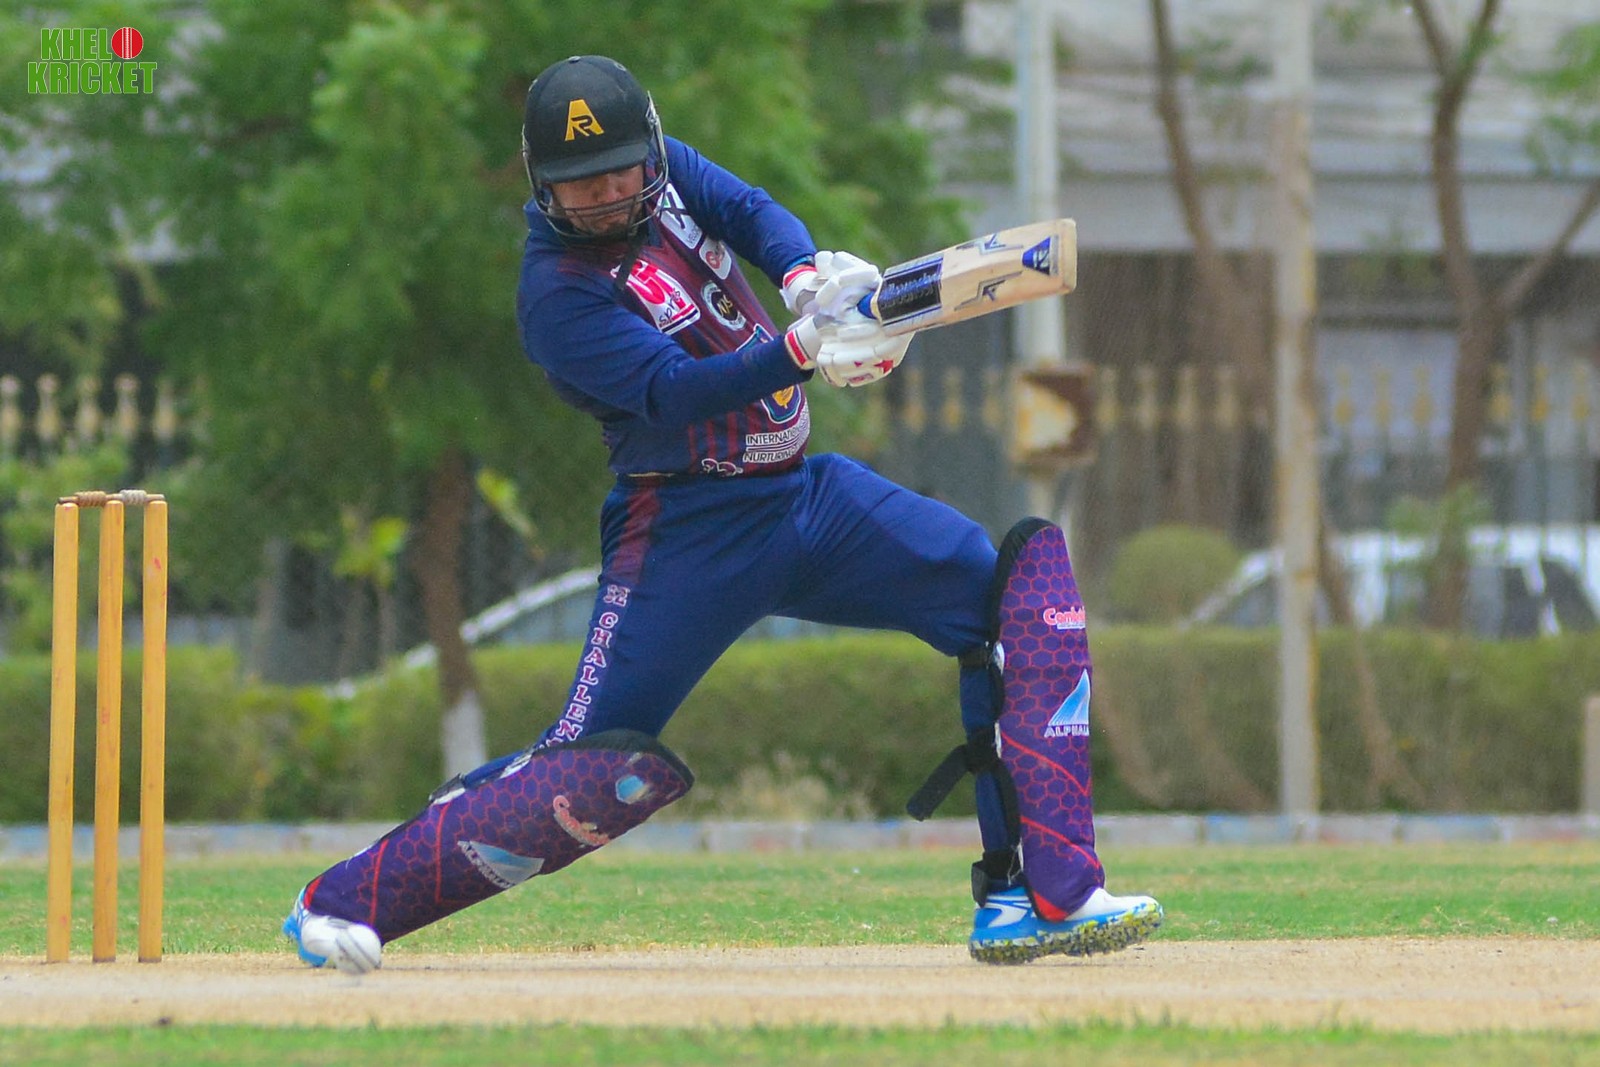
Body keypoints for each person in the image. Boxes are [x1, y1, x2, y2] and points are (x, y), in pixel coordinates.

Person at [282, 54, 1160, 975]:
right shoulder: (555, 293)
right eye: (581, 184)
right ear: (542, 184)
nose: (607, 194)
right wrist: (804, 347)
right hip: (685, 532)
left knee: (1012, 603)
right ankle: (337, 901)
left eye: (620, 171)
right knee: (584, 774)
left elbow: (749, 210)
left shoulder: (664, 174)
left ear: (649, 147)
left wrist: (806, 277)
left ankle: (1035, 894)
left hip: (805, 498)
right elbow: (675, 392)